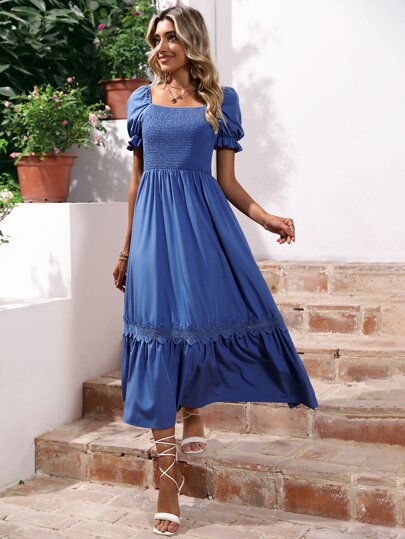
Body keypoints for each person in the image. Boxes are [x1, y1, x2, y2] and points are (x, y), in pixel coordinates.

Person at [112, 3, 318, 536]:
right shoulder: (141, 100)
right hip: (153, 232)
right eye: (156, 39)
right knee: (157, 331)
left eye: (171, 38)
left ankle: (193, 407)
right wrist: (127, 250)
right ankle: (167, 478)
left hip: (203, 227)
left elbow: (226, 182)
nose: (161, 48)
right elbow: (136, 181)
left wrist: (266, 217)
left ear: (192, 43)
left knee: (197, 322)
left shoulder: (220, 102)